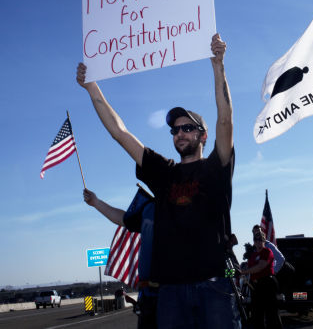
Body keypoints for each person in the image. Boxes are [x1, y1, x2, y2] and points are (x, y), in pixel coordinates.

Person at [76, 33, 240, 329]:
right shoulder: (163, 172)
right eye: (175, 130)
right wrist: (92, 88)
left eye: (188, 128)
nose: (180, 133)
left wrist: (218, 66)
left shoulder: (216, 167)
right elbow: (120, 133)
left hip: (214, 288)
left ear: (203, 135)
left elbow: (226, 121)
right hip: (170, 293)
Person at [83, 186, 156, 329]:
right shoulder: (150, 210)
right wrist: (96, 202)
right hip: (149, 298)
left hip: (174, 295)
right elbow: (123, 218)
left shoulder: (183, 207)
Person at [241, 230, 283, 329]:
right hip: (256, 287)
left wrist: (243, 272)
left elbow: (260, 267)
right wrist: (229, 272)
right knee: (256, 315)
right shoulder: (253, 255)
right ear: (254, 241)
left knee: (272, 315)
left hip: (268, 284)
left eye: (261, 239)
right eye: (256, 239)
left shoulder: (267, 252)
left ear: (264, 241)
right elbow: (245, 269)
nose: (259, 241)